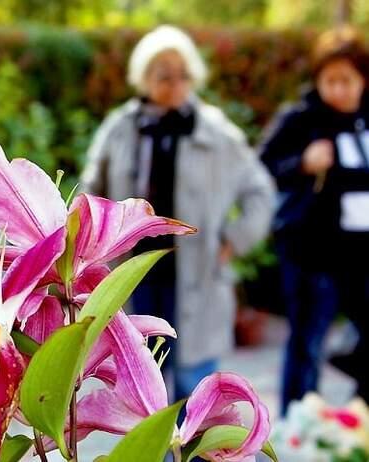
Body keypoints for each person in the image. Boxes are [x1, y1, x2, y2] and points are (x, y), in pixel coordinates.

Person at [81, 25, 275, 402]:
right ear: (144, 77)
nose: (175, 83)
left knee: (194, 391)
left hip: (197, 278)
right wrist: (95, 246)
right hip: (133, 276)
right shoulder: (121, 128)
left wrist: (234, 240)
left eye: (183, 74)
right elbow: (91, 191)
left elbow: (261, 192)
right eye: (163, 74)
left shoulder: (216, 133)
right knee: (140, 389)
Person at [260, 26, 369, 413]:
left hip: (363, 252)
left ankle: (357, 419)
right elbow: (264, 166)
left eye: (347, 80)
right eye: (330, 81)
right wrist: (303, 163)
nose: (339, 89)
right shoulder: (301, 119)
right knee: (308, 341)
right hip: (313, 251)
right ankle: (297, 425)